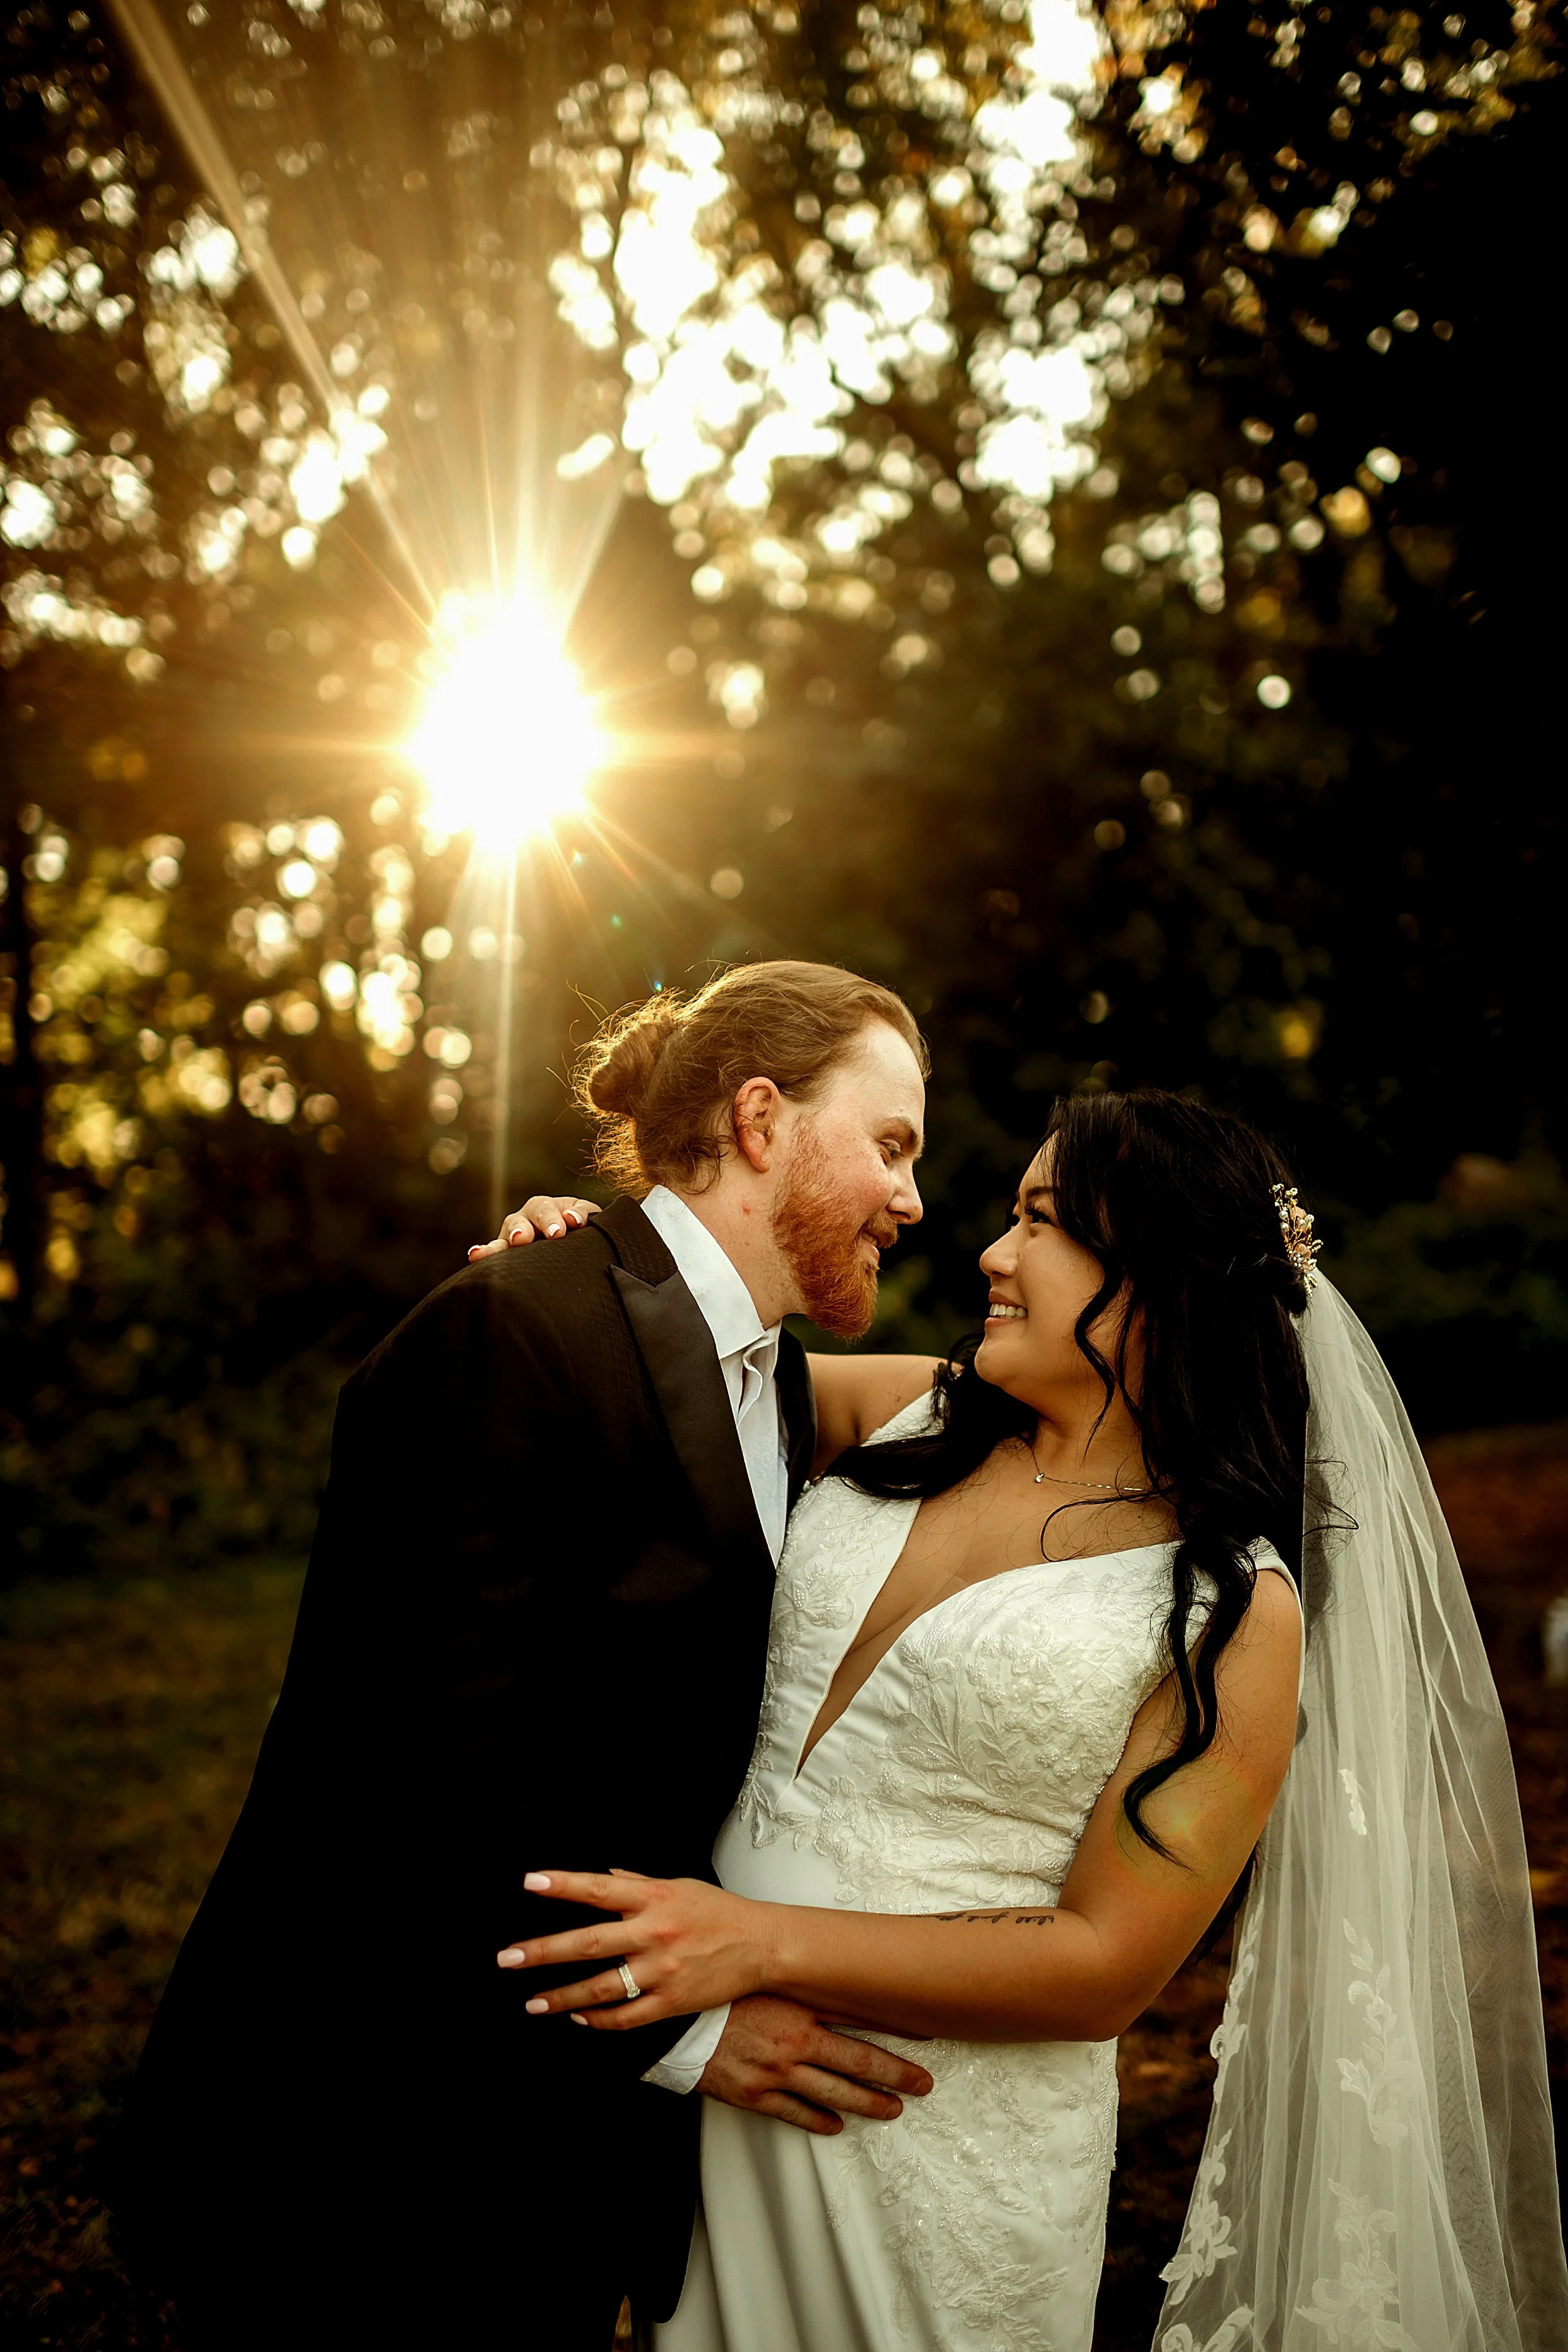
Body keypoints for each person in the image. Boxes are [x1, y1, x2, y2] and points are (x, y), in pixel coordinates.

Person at [496, 1086, 1568, 2352]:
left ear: (1160, 1278)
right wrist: (586, 1273)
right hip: (710, 2075)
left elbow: (1102, 1965)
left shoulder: (1227, 1606)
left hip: (926, 2141)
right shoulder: (897, 1410)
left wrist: (751, 1942)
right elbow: (658, 1371)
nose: (992, 1255)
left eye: (1041, 1223)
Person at [112, 961, 940, 2351]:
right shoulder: (511, 1329)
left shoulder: (775, 1386)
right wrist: (682, 2033)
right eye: (892, 1144)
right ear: (758, 1119)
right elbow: (423, 1772)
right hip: (379, 2138)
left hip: (560, 2141)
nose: (911, 1198)